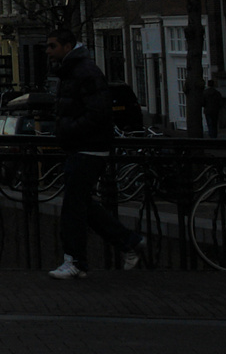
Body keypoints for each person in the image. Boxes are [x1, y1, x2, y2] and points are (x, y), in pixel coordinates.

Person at [46, 28, 145, 279]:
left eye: (52, 46)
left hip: (88, 148)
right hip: (84, 147)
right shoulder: (74, 71)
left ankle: (76, 261)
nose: (48, 51)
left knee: (72, 206)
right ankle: (129, 241)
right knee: (83, 204)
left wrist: (68, 130)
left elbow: (98, 112)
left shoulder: (85, 72)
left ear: (68, 47)